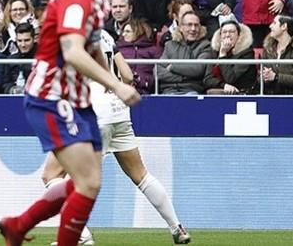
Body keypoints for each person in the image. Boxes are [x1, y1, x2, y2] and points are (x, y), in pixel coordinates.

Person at [0, 0, 140, 246]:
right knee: (89, 182)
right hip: (51, 95)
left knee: (84, 181)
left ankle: (18, 225)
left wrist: (106, 77)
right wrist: (116, 85)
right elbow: (72, 51)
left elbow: (90, 45)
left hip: (76, 98)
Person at [38, 26, 192, 245]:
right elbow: (128, 75)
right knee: (141, 175)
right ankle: (177, 227)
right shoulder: (105, 34)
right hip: (118, 112)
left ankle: (80, 236)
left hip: (93, 114)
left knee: (51, 175)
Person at [257, 15, 293, 94]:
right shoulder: (269, 48)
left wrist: (276, 77)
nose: (270, 26)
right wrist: (264, 77)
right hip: (271, 98)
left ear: (284, 26)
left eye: (274, 23)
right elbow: (260, 78)